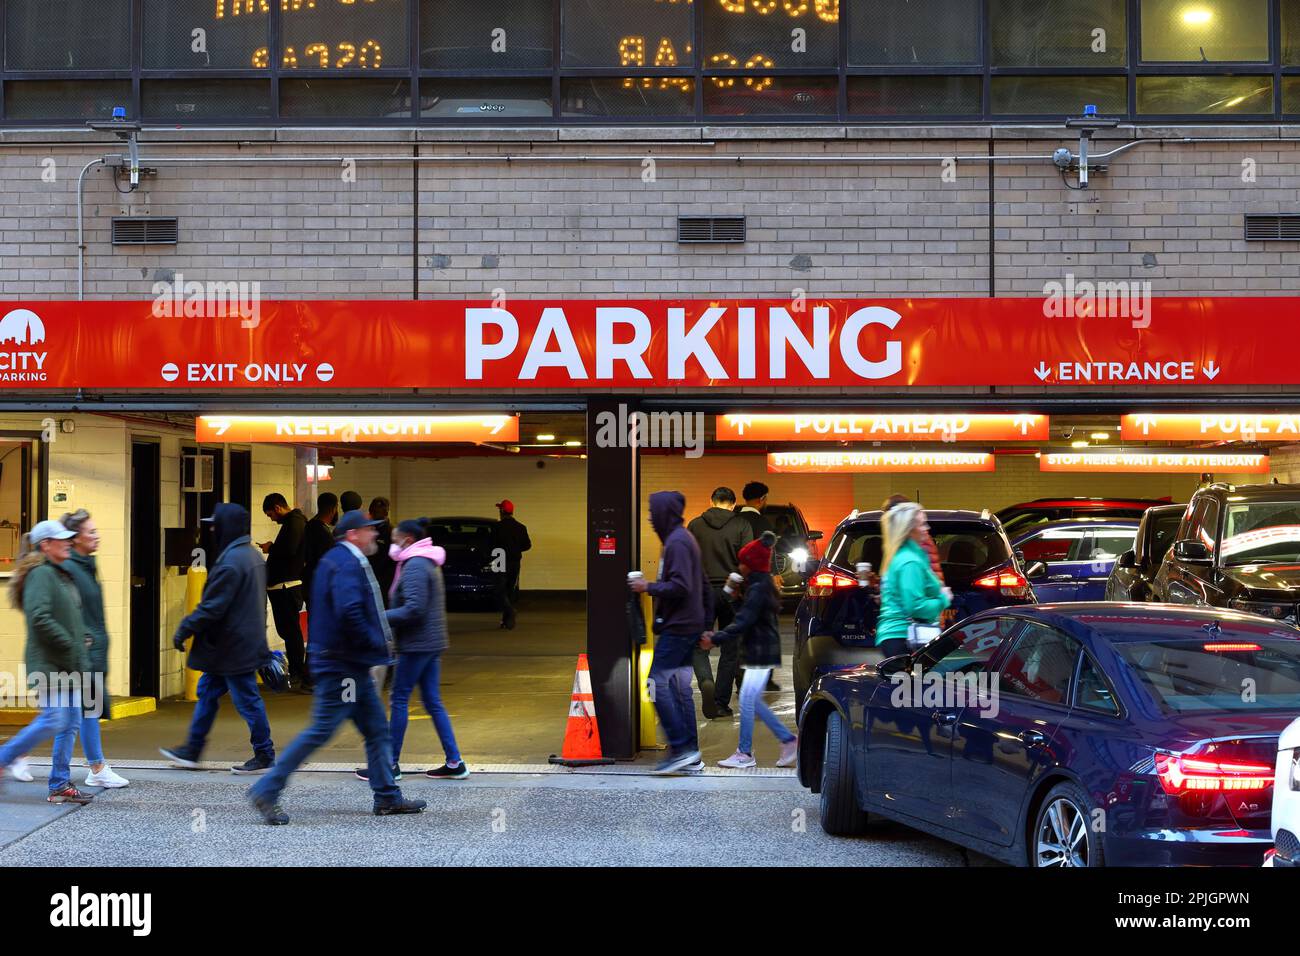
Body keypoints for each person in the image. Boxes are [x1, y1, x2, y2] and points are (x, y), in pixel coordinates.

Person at [247, 510, 426, 825]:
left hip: (349, 665)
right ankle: (267, 789)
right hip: (343, 666)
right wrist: (376, 645)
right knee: (321, 731)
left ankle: (387, 796)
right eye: (369, 531)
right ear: (353, 534)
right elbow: (350, 612)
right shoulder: (345, 563)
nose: (375, 535)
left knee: (376, 730)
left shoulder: (340, 560)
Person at [161, 503, 277, 775]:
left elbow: (212, 607)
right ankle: (192, 749)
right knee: (207, 693)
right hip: (239, 643)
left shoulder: (231, 561)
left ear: (227, 526)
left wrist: (184, 628)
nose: (211, 529)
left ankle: (264, 753)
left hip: (232, 648)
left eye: (215, 524)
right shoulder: (252, 556)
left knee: (247, 701)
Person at [355, 519, 468, 782]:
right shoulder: (424, 560)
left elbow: (414, 608)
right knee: (432, 702)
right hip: (430, 642)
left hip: (417, 644)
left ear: (407, 539)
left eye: (394, 540)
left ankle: (390, 764)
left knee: (399, 698)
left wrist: (379, 616)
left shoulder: (416, 565)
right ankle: (455, 762)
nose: (391, 544)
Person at [0, 521, 94, 803]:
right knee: (55, 719)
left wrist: (82, 636)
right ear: (45, 545)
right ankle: (4, 758)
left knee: (71, 721)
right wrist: (68, 641)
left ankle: (60, 784)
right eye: (61, 539)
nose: (68, 542)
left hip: (66, 661)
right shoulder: (41, 574)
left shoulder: (59, 574)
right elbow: (39, 616)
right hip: (50, 662)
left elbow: (65, 616)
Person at [701, 531, 797, 769]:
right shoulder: (758, 584)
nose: (739, 566)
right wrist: (733, 597)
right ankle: (785, 740)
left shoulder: (758, 587)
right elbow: (746, 615)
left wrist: (716, 638)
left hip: (760, 652)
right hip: (760, 650)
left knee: (747, 700)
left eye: (743, 562)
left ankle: (747, 752)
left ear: (751, 564)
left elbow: (743, 621)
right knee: (750, 700)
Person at [630, 491, 709, 774]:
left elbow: (682, 586)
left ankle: (680, 748)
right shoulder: (683, 539)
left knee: (656, 682)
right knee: (679, 688)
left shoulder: (676, 542)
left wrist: (647, 587)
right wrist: (705, 623)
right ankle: (691, 754)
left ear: (665, 512)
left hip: (679, 627)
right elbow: (703, 584)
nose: (650, 519)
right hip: (689, 624)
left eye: (653, 513)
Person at [59, 510, 129, 789]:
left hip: (92, 652)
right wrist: (84, 639)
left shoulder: (86, 565)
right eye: (91, 532)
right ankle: (96, 767)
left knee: (83, 710)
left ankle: (96, 766)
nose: (97, 536)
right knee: (79, 711)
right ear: (76, 538)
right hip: (81, 654)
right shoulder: (72, 569)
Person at [686, 486, 753, 718]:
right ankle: (720, 703)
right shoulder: (742, 525)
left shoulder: (694, 525)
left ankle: (706, 681)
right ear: (733, 504)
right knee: (730, 649)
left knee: (698, 647)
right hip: (732, 592)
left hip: (701, 592)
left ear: (712, 501)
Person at [875, 502, 953, 660]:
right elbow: (916, 606)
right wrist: (943, 599)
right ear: (910, 530)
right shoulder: (910, 562)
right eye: (922, 524)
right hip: (905, 638)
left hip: (899, 636)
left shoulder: (904, 556)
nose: (927, 528)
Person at [260, 492, 308, 691]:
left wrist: (272, 547)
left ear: (278, 508)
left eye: (271, 514)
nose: (271, 518)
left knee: (291, 632)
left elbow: (289, 549)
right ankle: (298, 671)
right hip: (282, 586)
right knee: (288, 631)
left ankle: (298, 672)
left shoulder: (295, 521)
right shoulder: (293, 523)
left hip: (286, 587)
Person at [881, 493, 944, 582]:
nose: (886, 522)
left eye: (890, 517)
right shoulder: (903, 547)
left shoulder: (917, 546)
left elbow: (923, 584)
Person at [491, 499, 532, 630]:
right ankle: (507, 621)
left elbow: (491, 545)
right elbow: (527, 545)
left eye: (500, 510)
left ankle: (510, 611)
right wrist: (516, 549)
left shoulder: (497, 527)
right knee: (509, 590)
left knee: (499, 590)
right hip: (515, 562)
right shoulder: (521, 527)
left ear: (503, 511)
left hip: (500, 560)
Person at [302, 491, 339, 614]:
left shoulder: (309, 526)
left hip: (310, 584)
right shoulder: (322, 532)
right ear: (334, 509)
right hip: (319, 588)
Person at [366, 497, 396, 606]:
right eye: (373, 512)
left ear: (385, 512)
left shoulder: (391, 533)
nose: (374, 515)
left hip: (384, 583)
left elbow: (391, 561)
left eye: (377, 511)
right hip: (369, 581)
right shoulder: (367, 530)